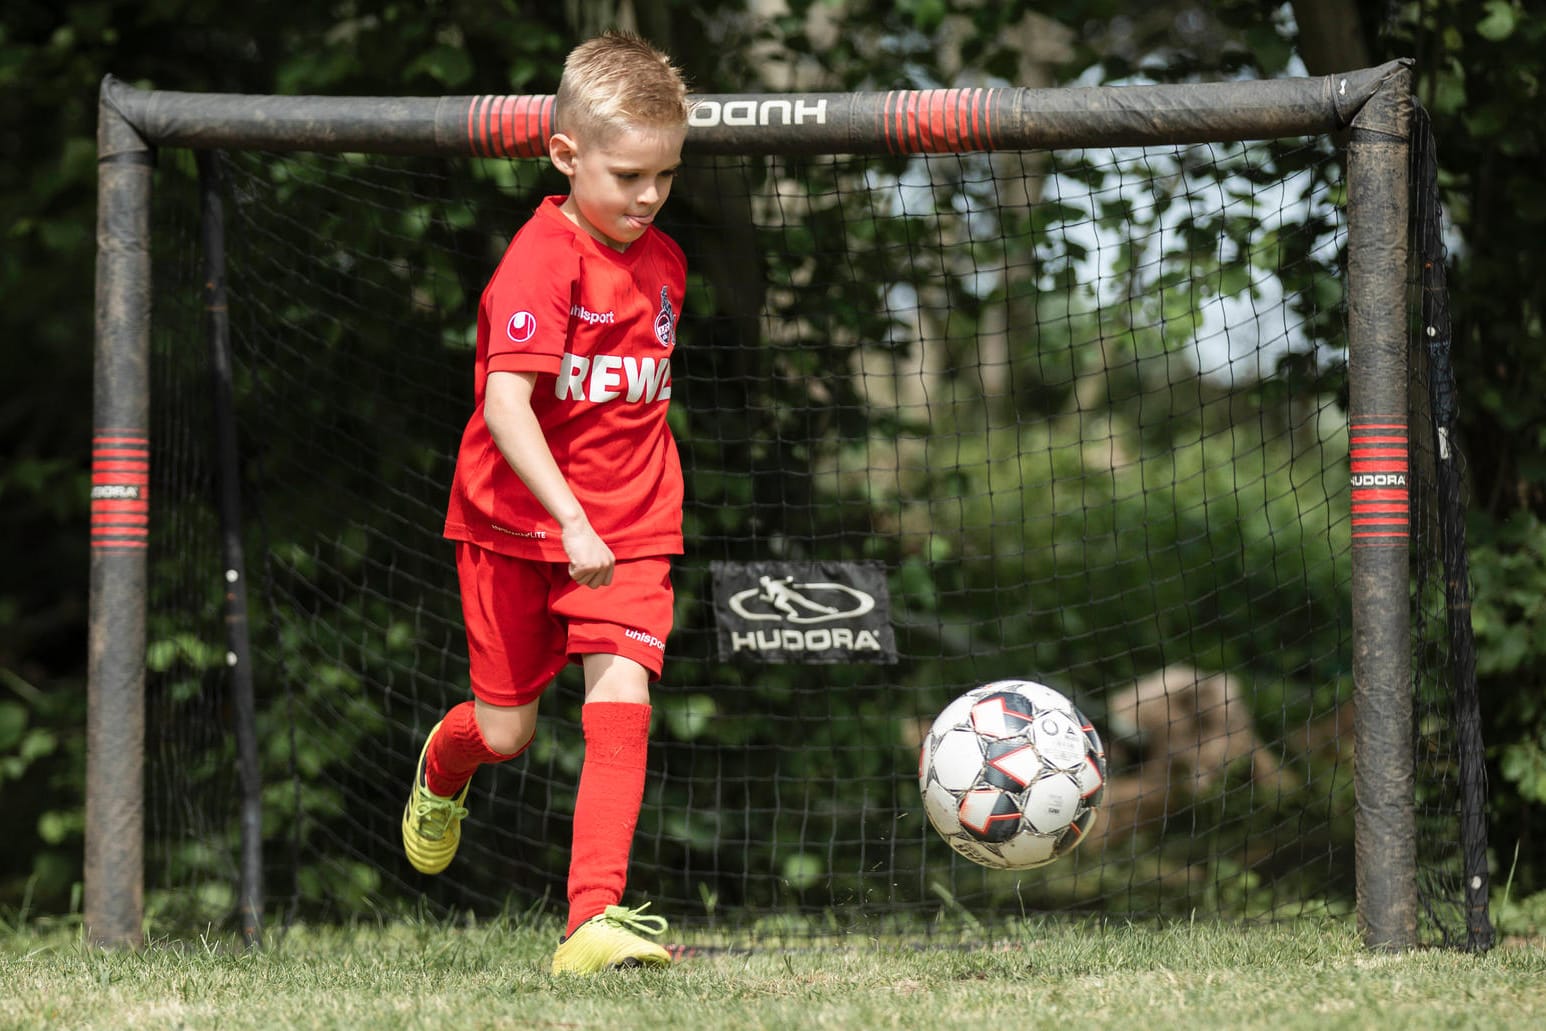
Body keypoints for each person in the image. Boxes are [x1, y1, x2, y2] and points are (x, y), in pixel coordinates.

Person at [401, 29, 690, 976]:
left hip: (632, 522)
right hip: (513, 524)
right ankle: (443, 769)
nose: (647, 196)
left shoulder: (667, 264)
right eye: (628, 175)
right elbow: (505, 406)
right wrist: (568, 518)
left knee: (623, 694)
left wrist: (607, 517)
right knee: (508, 731)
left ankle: (590, 922)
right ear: (566, 156)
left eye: (665, 176)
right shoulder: (540, 260)